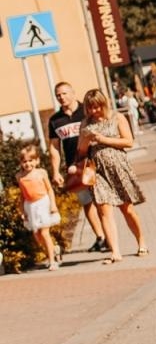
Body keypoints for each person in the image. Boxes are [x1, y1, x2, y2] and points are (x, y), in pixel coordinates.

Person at [77, 88, 148, 264]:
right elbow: (80, 152)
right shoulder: (85, 124)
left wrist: (103, 139)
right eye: (90, 108)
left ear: (104, 104)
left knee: (127, 209)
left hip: (118, 168)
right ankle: (115, 251)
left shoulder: (117, 118)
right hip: (98, 171)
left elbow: (128, 141)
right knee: (103, 210)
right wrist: (86, 141)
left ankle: (141, 241)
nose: (94, 111)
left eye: (97, 107)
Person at [47, 81, 108, 253]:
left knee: (101, 201)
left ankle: (109, 235)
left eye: (65, 93)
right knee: (87, 203)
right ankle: (101, 237)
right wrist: (55, 171)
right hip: (75, 167)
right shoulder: (55, 120)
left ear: (73, 93)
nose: (62, 97)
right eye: (58, 95)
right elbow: (54, 147)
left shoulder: (86, 111)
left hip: (94, 162)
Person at [16, 144, 61, 270]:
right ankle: (54, 249)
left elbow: (49, 189)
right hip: (30, 206)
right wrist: (22, 210)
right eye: (24, 161)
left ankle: (52, 261)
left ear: (37, 161)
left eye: (30, 160)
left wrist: (53, 205)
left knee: (45, 233)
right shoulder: (20, 176)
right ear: (20, 162)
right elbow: (22, 195)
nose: (27, 164)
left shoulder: (41, 173)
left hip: (43, 203)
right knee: (37, 235)